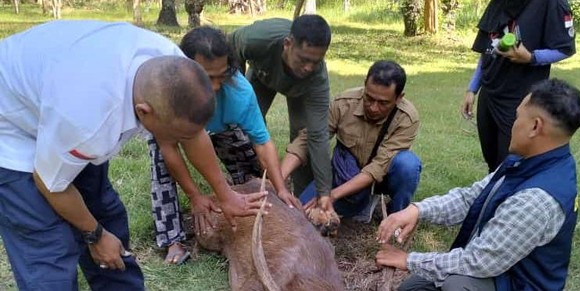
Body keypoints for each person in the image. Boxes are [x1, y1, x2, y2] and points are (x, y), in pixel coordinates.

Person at [0, 20, 266, 290]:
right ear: (144, 111)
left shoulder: (174, 66)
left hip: (55, 97)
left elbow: (194, 133)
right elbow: (50, 183)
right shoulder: (90, 123)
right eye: (176, 133)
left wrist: (225, 194)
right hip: (10, 127)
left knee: (106, 215)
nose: (182, 139)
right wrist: (95, 235)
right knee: (49, 249)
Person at [377, 78, 580, 291]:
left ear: (534, 126)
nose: (513, 124)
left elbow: (478, 261)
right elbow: (472, 197)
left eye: (517, 117)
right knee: (413, 288)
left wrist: (409, 260)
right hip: (504, 272)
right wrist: (417, 210)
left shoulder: (537, 200)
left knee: (457, 285)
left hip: (516, 283)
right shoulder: (530, 161)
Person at [149, 26, 300, 265]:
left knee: (247, 158)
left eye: (222, 75)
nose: (216, 86)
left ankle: (239, 204)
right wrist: (195, 196)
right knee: (161, 165)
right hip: (175, 133)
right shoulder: (167, 94)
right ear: (184, 69)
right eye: (206, 78)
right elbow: (170, 149)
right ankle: (172, 239)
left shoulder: (239, 91)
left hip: (220, 129)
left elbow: (263, 143)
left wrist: (281, 188)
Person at [460, 0, 576, 172]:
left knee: (511, 162)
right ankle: (493, 202)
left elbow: (565, 48)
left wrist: (531, 58)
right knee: (492, 160)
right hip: (491, 92)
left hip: (520, 97)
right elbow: (488, 45)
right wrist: (473, 88)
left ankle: (507, 203)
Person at [281, 60, 421, 224]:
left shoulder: (407, 118)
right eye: (369, 98)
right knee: (301, 212)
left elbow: (378, 168)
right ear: (364, 86)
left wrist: (332, 195)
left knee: (407, 165)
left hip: (383, 176)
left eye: (383, 103)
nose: (373, 108)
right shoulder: (343, 104)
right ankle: (361, 204)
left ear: (399, 98)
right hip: (345, 171)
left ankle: (397, 217)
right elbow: (309, 139)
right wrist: (279, 178)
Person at [229, 15, 335, 214]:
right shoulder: (258, 39)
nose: (308, 67)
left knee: (302, 135)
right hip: (264, 74)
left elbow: (318, 135)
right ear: (288, 44)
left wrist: (324, 192)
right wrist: (238, 90)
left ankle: (301, 198)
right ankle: (250, 185)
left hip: (301, 89)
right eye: (304, 59)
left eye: (316, 61)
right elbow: (231, 46)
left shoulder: (316, 78)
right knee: (243, 127)